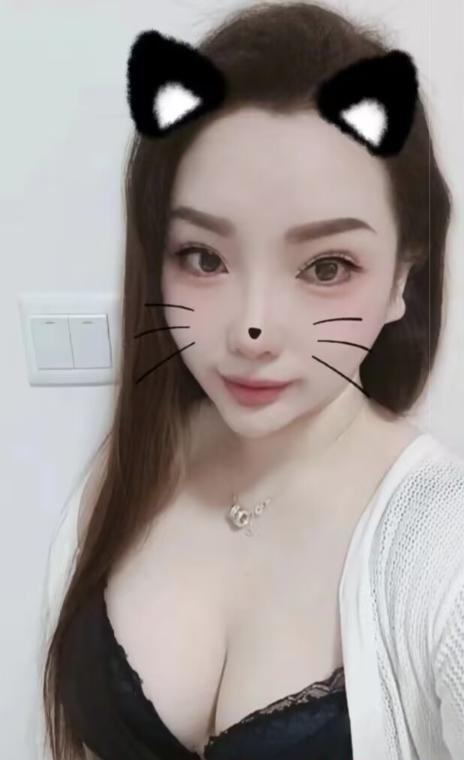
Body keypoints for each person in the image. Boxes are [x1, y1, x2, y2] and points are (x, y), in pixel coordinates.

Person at [39, 3, 464, 760]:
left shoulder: (444, 556)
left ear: (404, 274)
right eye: (204, 258)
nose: (251, 329)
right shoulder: (129, 463)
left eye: (326, 267)